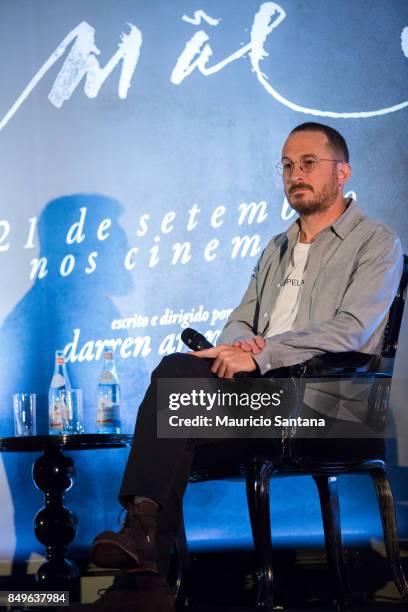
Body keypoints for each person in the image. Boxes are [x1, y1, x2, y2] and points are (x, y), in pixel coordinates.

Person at [89, 122, 403, 609]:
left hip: (331, 406)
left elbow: (352, 330)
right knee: (179, 377)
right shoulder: (275, 248)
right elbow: (242, 319)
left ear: (343, 172)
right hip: (263, 402)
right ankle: (144, 552)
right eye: (286, 166)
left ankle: (142, 565)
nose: (294, 174)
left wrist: (259, 355)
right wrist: (229, 351)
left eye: (307, 164)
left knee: (177, 399)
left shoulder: (376, 242)